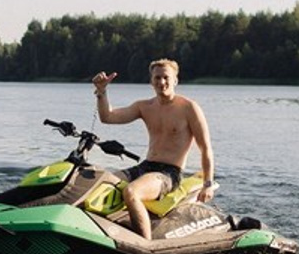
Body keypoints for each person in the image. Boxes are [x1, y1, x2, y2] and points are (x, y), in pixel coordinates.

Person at [91, 59, 215, 240]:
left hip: (169, 173)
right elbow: (108, 117)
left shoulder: (189, 108)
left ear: (175, 81)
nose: (161, 82)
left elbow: (206, 149)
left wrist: (208, 184)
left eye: (166, 77)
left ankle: (145, 245)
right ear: (151, 81)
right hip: (145, 166)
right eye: (157, 78)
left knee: (131, 192)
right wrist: (101, 92)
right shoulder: (144, 107)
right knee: (102, 183)